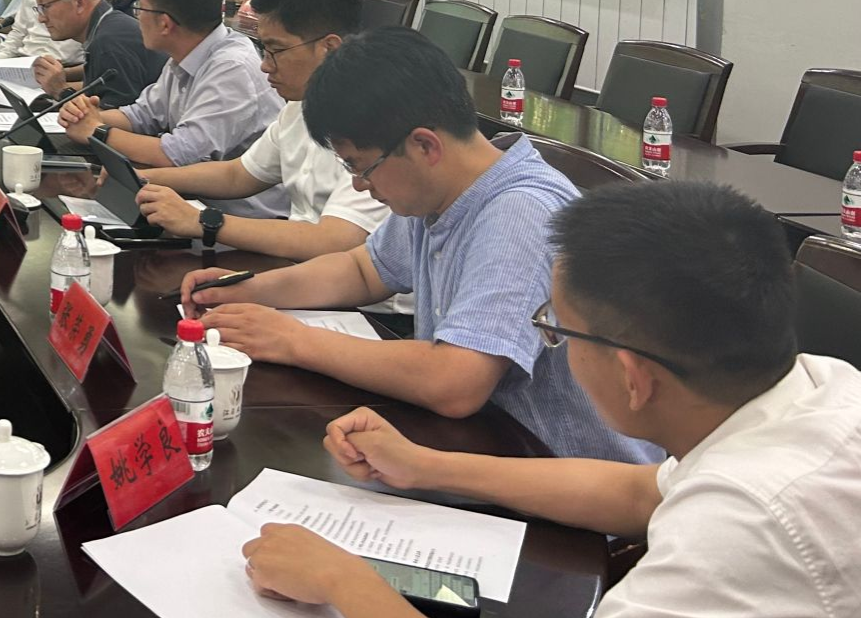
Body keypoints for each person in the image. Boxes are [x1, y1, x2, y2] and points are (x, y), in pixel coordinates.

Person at [242, 181, 861, 618]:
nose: (550, 340)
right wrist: (425, 465)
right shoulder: (814, 386)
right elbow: (640, 493)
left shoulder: (753, 524)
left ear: (633, 378)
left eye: (556, 329)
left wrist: (345, 581)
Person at [180, 27, 654, 463]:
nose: (360, 185)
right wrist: (250, 288)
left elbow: (456, 381)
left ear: (425, 146)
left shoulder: (519, 213)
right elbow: (363, 270)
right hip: (483, 444)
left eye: (361, 167)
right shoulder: (443, 190)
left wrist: (291, 339)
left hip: (558, 478)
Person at [135, 0, 388, 262]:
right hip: (296, 268)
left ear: (328, 48)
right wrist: (144, 179)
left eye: (275, 51)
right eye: (263, 50)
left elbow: (333, 240)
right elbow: (238, 175)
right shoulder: (297, 107)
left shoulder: (375, 125)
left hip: (336, 279)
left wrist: (203, 221)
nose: (265, 66)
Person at [59, 0, 284, 208]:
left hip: (238, 217)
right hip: (188, 202)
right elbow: (142, 115)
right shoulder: (185, 54)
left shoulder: (232, 68)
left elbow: (179, 154)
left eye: (140, 9)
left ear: (165, 24)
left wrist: (97, 130)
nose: (136, 18)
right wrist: (87, 117)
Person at [29, 0, 162, 110]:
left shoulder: (109, 42)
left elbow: (111, 117)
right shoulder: (106, 26)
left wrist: (60, 91)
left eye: (46, 6)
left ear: (79, 1)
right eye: (39, 9)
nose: (41, 18)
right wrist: (55, 81)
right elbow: (97, 89)